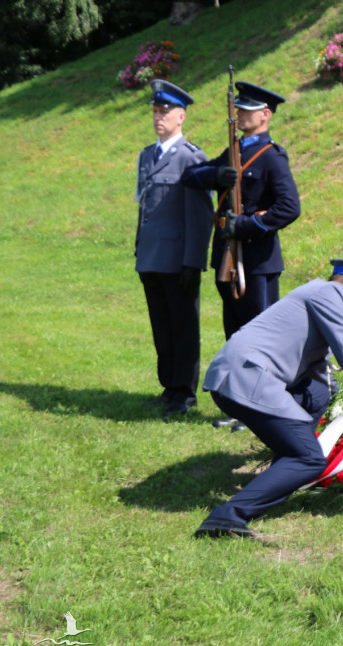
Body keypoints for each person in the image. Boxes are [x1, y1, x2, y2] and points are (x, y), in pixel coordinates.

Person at [193, 259, 343, 538]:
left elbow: (320, 368)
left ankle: (282, 472)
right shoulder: (330, 294)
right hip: (246, 379)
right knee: (309, 459)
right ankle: (228, 515)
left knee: (318, 393)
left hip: (240, 376)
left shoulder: (317, 293)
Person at [182, 80, 301, 340]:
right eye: (239, 108)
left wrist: (247, 226)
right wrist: (217, 175)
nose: (240, 113)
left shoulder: (272, 156)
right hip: (226, 256)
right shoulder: (234, 151)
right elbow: (189, 176)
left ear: (265, 115)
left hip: (257, 262)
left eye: (247, 109)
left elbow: (290, 207)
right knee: (234, 334)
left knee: (260, 336)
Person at [135, 79, 214, 417]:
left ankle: (184, 392)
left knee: (183, 327)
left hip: (178, 259)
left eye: (165, 112)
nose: (158, 117)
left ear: (181, 117)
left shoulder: (191, 158)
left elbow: (201, 216)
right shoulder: (146, 155)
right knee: (161, 326)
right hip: (151, 257)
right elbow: (144, 207)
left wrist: (192, 261)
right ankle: (168, 386)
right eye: (155, 111)